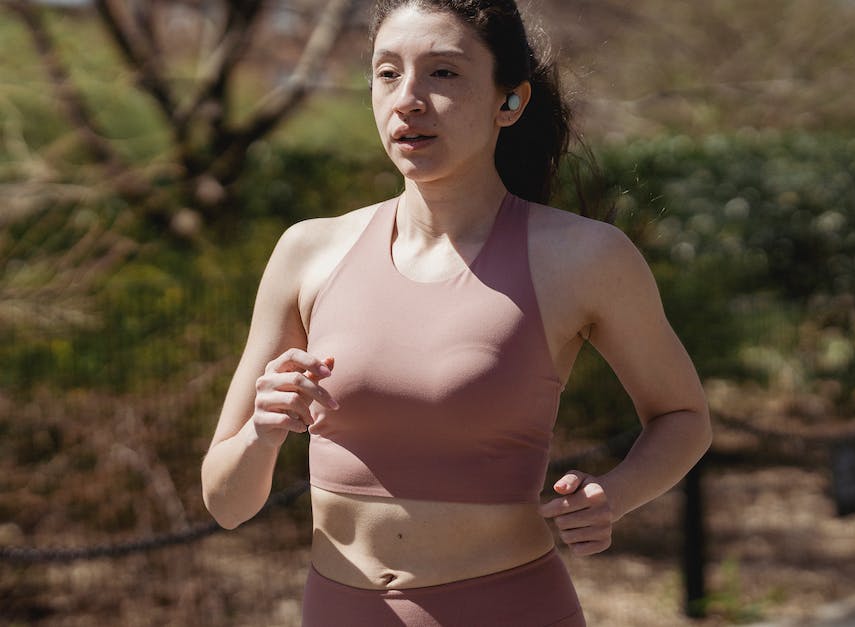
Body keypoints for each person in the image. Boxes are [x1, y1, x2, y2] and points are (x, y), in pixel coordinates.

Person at [200, 0, 711, 624]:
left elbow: (683, 416)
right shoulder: (307, 251)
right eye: (388, 74)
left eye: (443, 73)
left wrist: (616, 495)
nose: (408, 99)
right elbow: (226, 504)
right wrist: (263, 429)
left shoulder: (583, 257)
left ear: (509, 102)